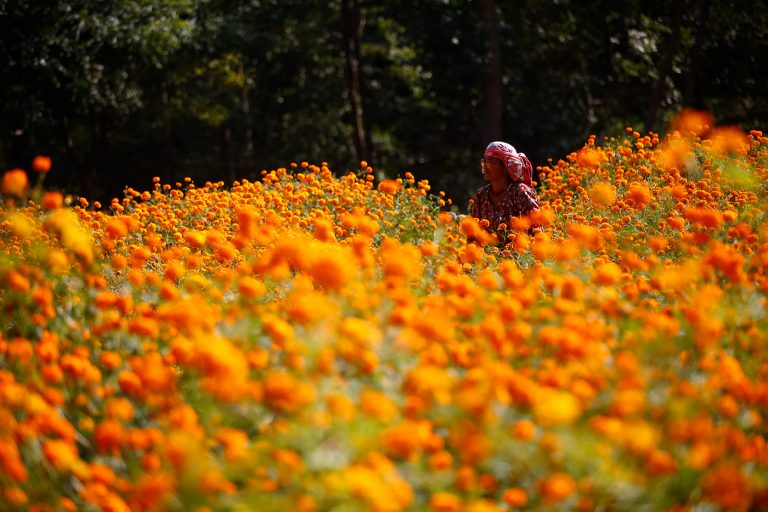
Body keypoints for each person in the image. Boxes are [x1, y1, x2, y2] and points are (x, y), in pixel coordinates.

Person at [471, 141, 540, 240]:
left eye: (490, 162)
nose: (485, 166)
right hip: (488, 254)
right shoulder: (481, 195)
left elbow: (537, 231)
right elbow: (473, 235)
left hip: (519, 254)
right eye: (484, 162)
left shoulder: (520, 192)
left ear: (505, 166)